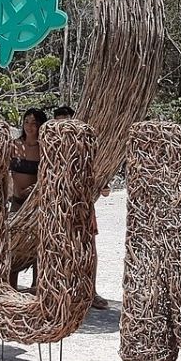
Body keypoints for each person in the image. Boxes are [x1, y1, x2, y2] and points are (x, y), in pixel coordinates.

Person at [53, 105, 110, 310]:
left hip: (83, 204)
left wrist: (103, 186)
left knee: (88, 247)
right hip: (58, 205)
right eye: (59, 122)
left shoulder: (84, 146)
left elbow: (97, 172)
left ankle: (90, 292)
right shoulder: (51, 147)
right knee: (60, 248)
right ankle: (63, 292)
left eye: (67, 121)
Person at [7, 108, 46, 291]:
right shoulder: (14, 145)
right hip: (17, 200)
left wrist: (35, 189)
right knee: (13, 242)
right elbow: (5, 170)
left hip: (35, 203)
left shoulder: (44, 148)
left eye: (35, 123)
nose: (30, 126)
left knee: (38, 243)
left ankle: (35, 285)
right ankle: (11, 285)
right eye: (27, 122)